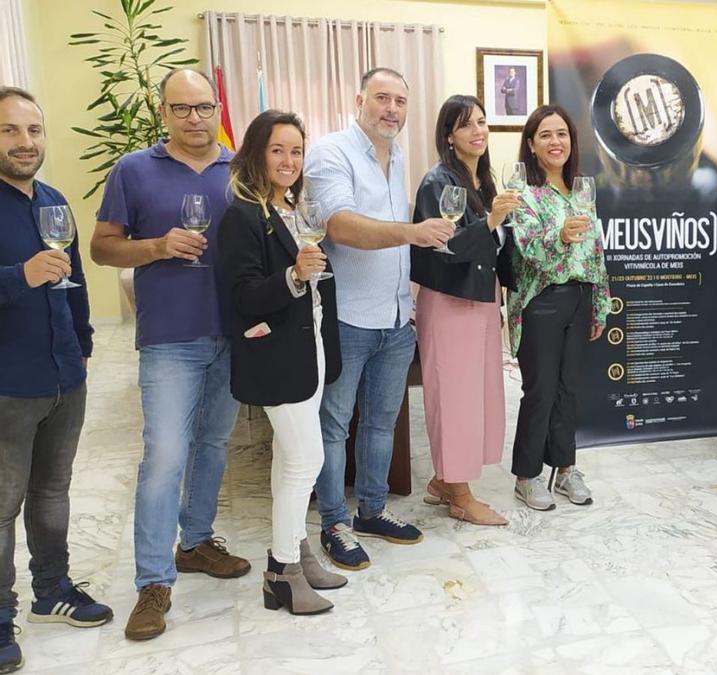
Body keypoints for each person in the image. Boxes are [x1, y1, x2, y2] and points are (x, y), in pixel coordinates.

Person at [90, 68, 250, 642]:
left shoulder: (241, 170)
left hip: (231, 336)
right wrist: (157, 247)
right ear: (164, 113)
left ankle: (198, 541)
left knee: (212, 444)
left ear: (216, 109)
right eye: (181, 109)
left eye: (204, 107)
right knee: (163, 458)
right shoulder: (133, 170)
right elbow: (102, 247)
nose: (195, 118)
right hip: (169, 340)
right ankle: (153, 582)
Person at [304, 68, 455, 570]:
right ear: (359, 100)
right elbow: (341, 226)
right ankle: (333, 523)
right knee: (334, 424)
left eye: (400, 101)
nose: (392, 109)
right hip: (347, 315)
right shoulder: (331, 151)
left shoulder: (396, 157)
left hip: (395, 317)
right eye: (382, 98)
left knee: (382, 424)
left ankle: (371, 511)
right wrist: (413, 232)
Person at [218, 110, 349, 615]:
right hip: (274, 355)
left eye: (296, 151)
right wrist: (294, 275)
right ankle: (281, 572)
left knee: (288, 462)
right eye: (278, 150)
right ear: (256, 153)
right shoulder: (242, 215)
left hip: (307, 344)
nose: (289, 160)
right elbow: (244, 295)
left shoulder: (294, 210)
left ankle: (298, 553)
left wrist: (307, 276)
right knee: (306, 460)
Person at [0, 86, 112, 674]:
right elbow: (32, 275)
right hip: (7, 386)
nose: (25, 142)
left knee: (51, 493)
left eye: (33, 130)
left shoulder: (54, 200)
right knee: (1, 505)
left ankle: (52, 591)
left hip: (65, 377)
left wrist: (84, 343)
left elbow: (75, 282)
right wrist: (19, 276)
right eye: (10, 131)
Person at [411, 95, 518, 526]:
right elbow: (445, 245)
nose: (478, 131)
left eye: (482, 122)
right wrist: (491, 222)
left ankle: (443, 480)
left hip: (481, 299)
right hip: (450, 301)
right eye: (466, 125)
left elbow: (497, 243)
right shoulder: (438, 182)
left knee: (478, 393)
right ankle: (459, 495)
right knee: (454, 397)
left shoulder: (484, 182)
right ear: (449, 137)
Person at [508, 104, 610, 510]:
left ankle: (565, 469)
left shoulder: (581, 191)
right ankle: (526, 476)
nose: (556, 142)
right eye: (546, 135)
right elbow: (528, 251)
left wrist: (600, 306)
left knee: (569, 391)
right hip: (542, 302)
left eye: (562, 134)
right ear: (531, 145)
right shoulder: (524, 196)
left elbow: (598, 252)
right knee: (540, 391)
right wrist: (561, 237)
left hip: (581, 297)